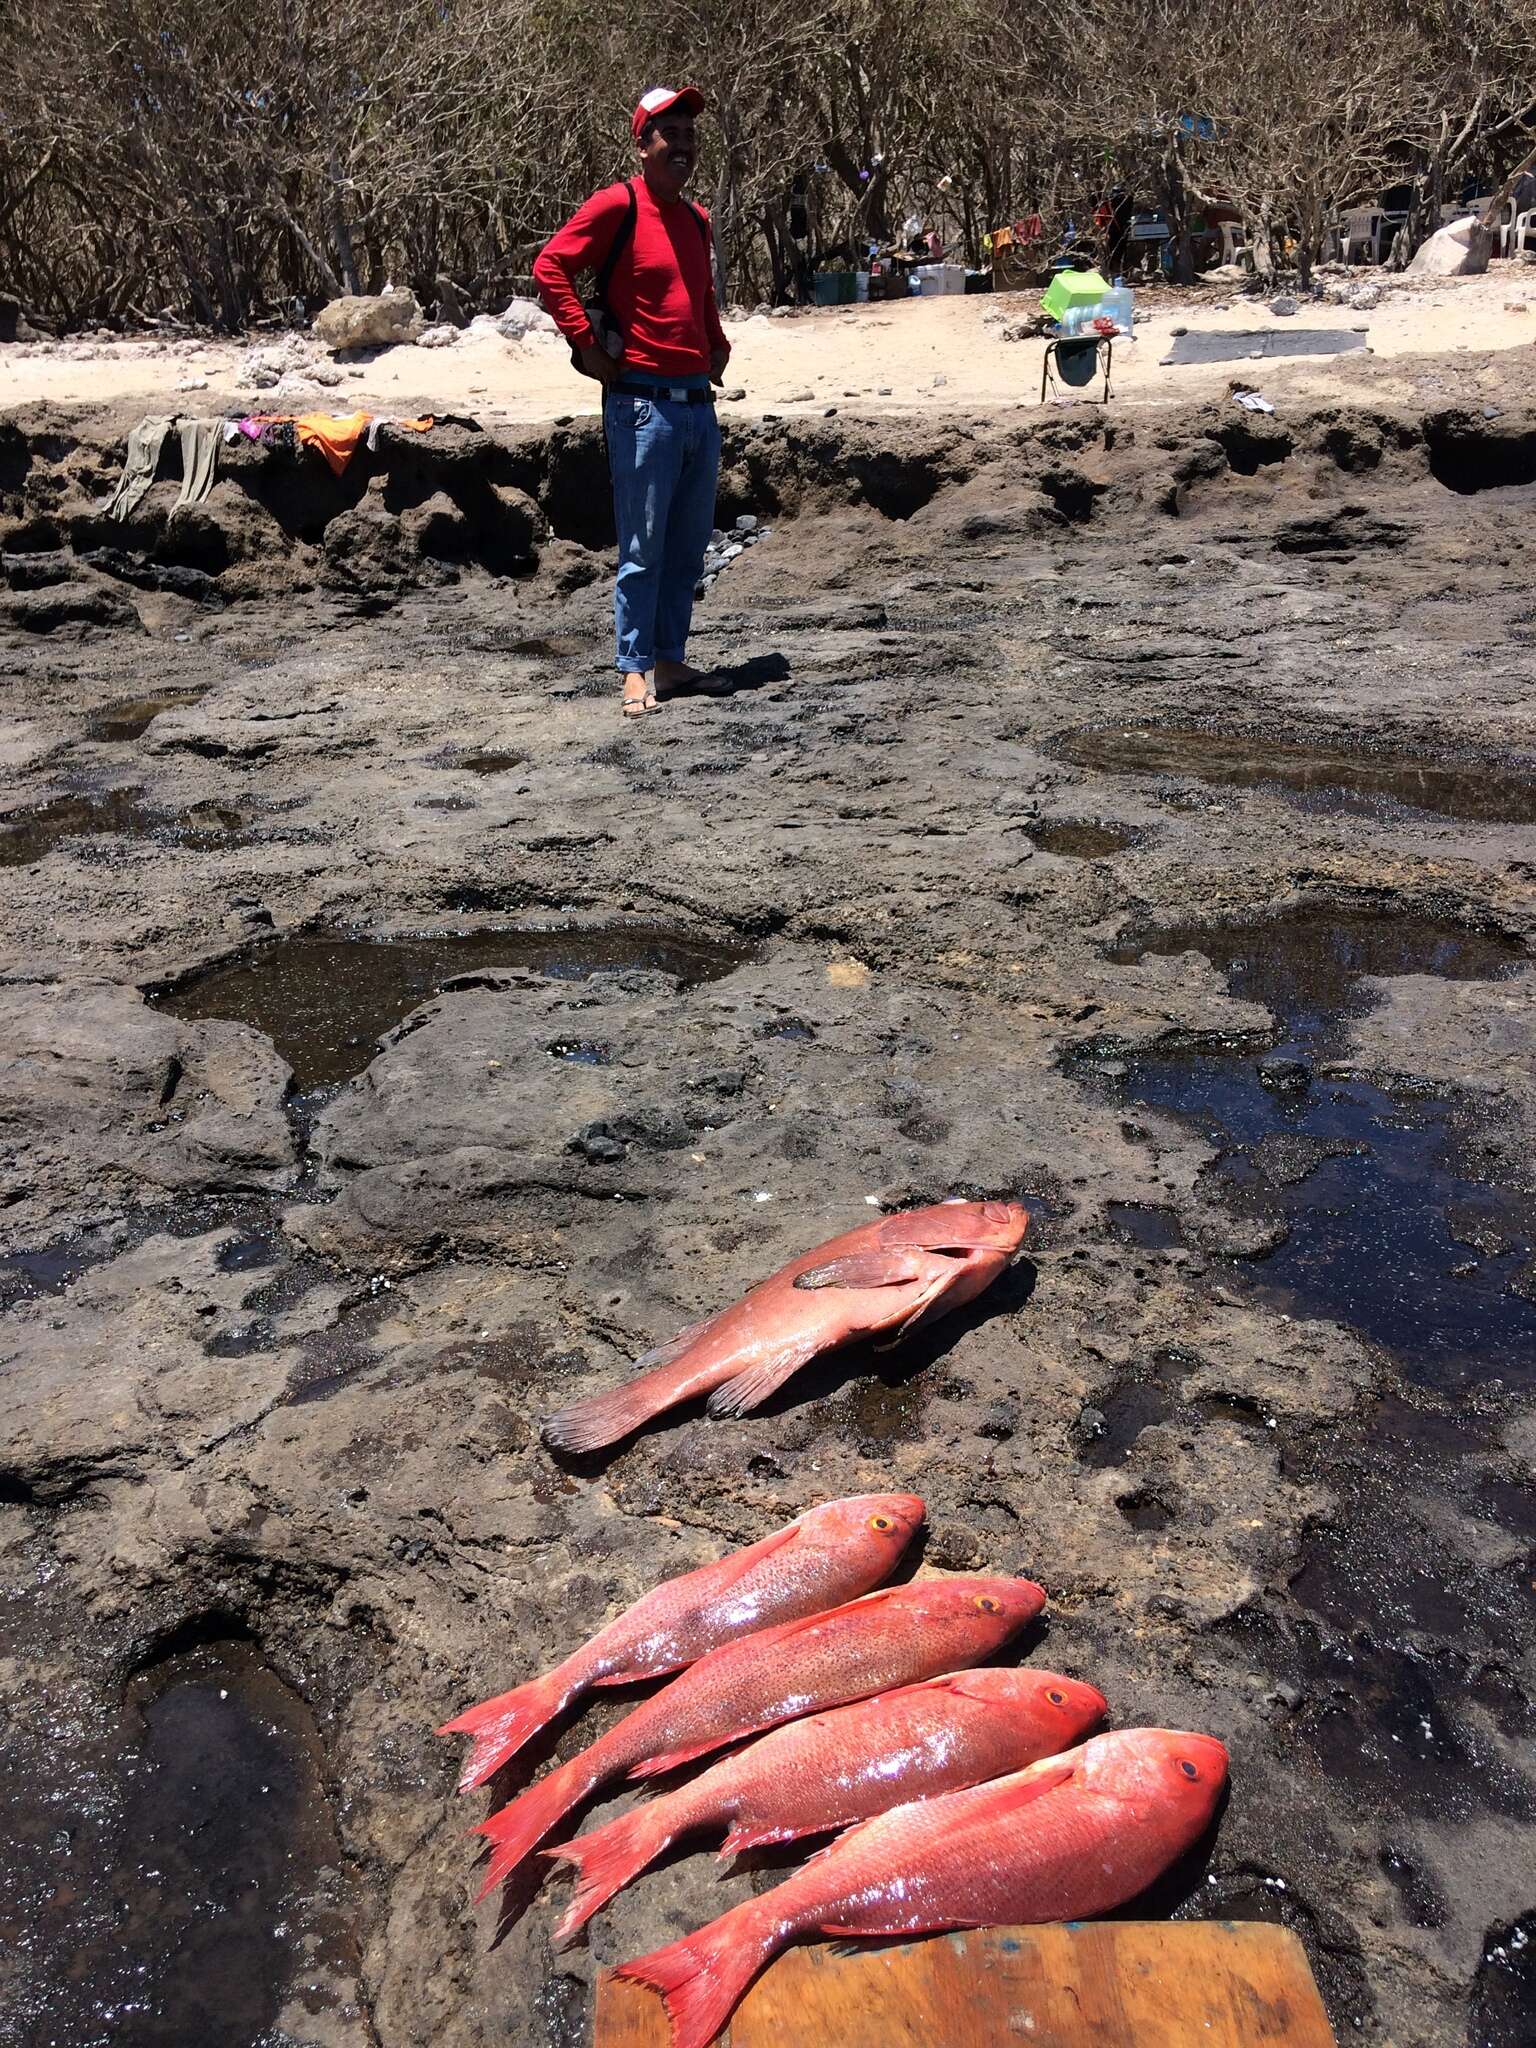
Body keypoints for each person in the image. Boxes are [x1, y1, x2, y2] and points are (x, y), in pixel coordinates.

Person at [533, 86, 731, 719]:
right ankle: (634, 670)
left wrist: (717, 345)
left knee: (687, 545)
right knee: (643, 546)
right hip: (641, 407)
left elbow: (699, 296)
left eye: (689, 135)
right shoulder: (618, 205)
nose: (683, 146)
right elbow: (550, 268)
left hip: (698, 405)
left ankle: (670, 662)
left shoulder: (696, 219)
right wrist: (587, 343)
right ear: (643, 144)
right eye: (669, 134)